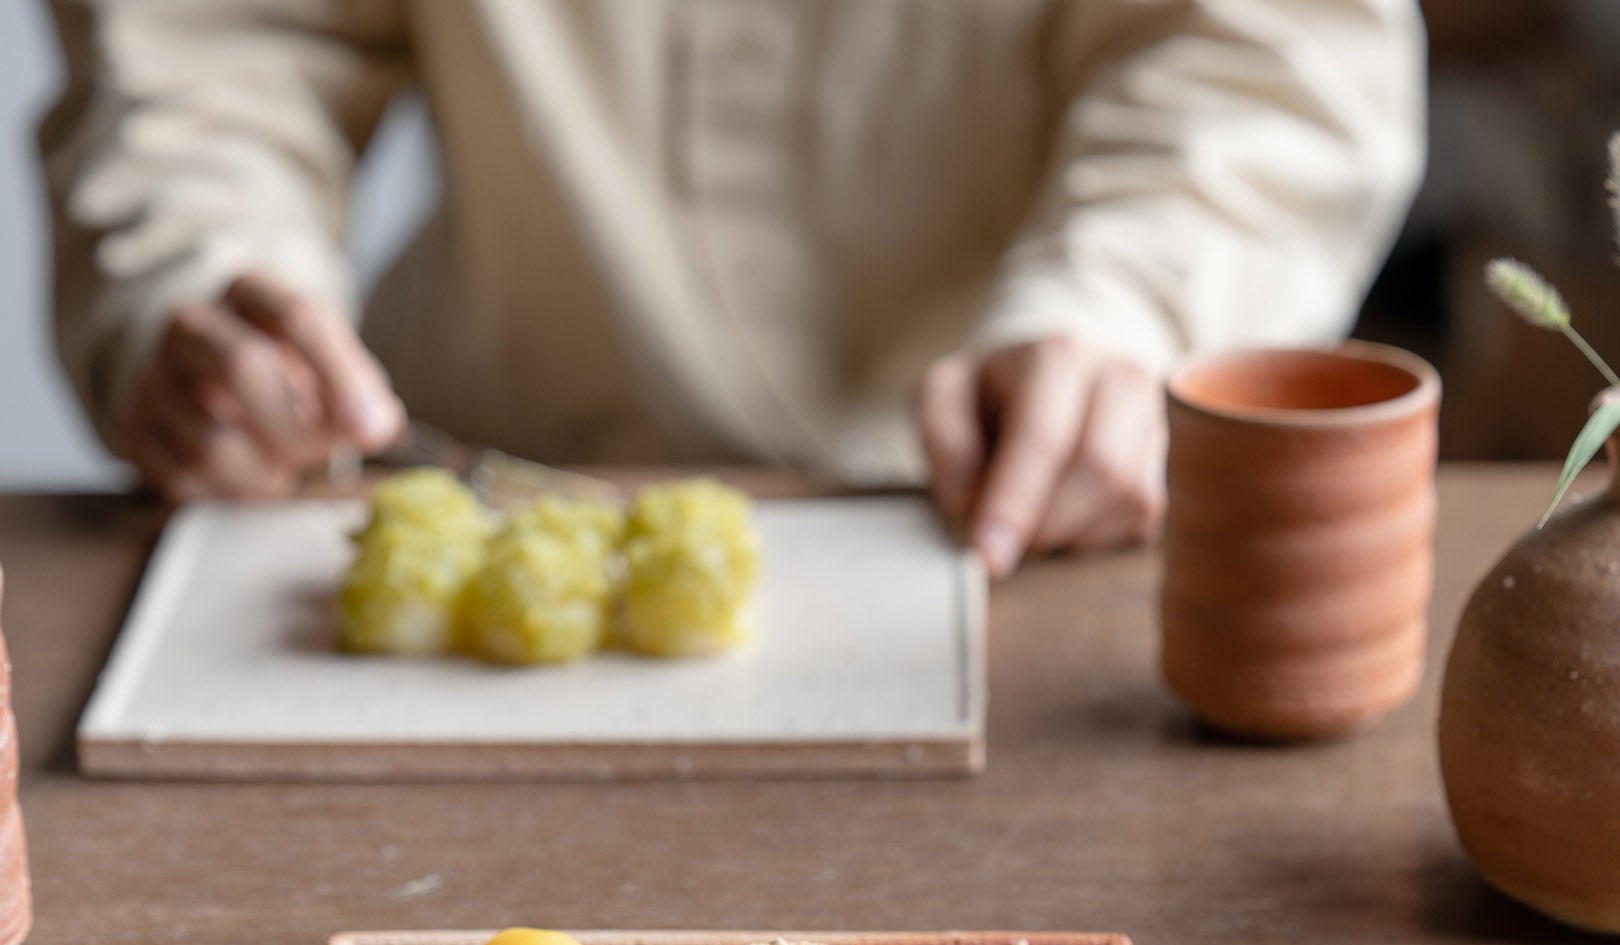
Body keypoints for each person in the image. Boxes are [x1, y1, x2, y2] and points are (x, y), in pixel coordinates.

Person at [40, 1, 1424, 579]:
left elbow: (1269, 49)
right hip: (453, 477)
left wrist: (1130, 305)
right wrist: (199, 271)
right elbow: (215, 38)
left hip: (1031, 507)